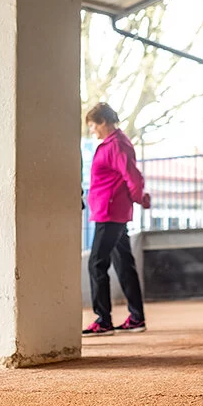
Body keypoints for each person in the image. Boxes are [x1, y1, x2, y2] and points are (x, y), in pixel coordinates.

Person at [83, 103, 151, 336]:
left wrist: (139, 198)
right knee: (124, 264)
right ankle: (136, 318)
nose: (92, 130)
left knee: (96, 264)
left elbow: (132, 176)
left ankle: (103, 321)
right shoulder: (112, 144)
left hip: (110, 212)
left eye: (93, 125)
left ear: (103, 121)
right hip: (110, 211)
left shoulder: (117, 144)